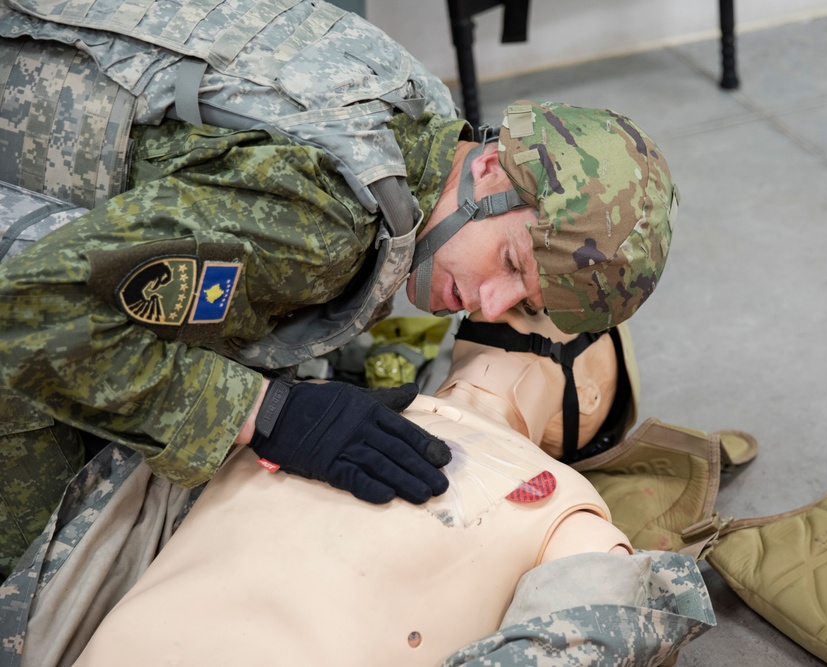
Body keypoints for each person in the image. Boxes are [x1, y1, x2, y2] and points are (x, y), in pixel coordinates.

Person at [0, 2, 678, 578]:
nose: (490, 305)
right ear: (494, 169)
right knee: (68, 564)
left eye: (523, 305)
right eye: (510, 263)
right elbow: (33, 315)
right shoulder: (326, 221)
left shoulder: (408, 100)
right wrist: (265, 412)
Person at [49, 306, 712, 667]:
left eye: (542, 299)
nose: (503, 299)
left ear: (592, 393)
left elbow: (600, 631)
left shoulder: (564, 505)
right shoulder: (306, 405)